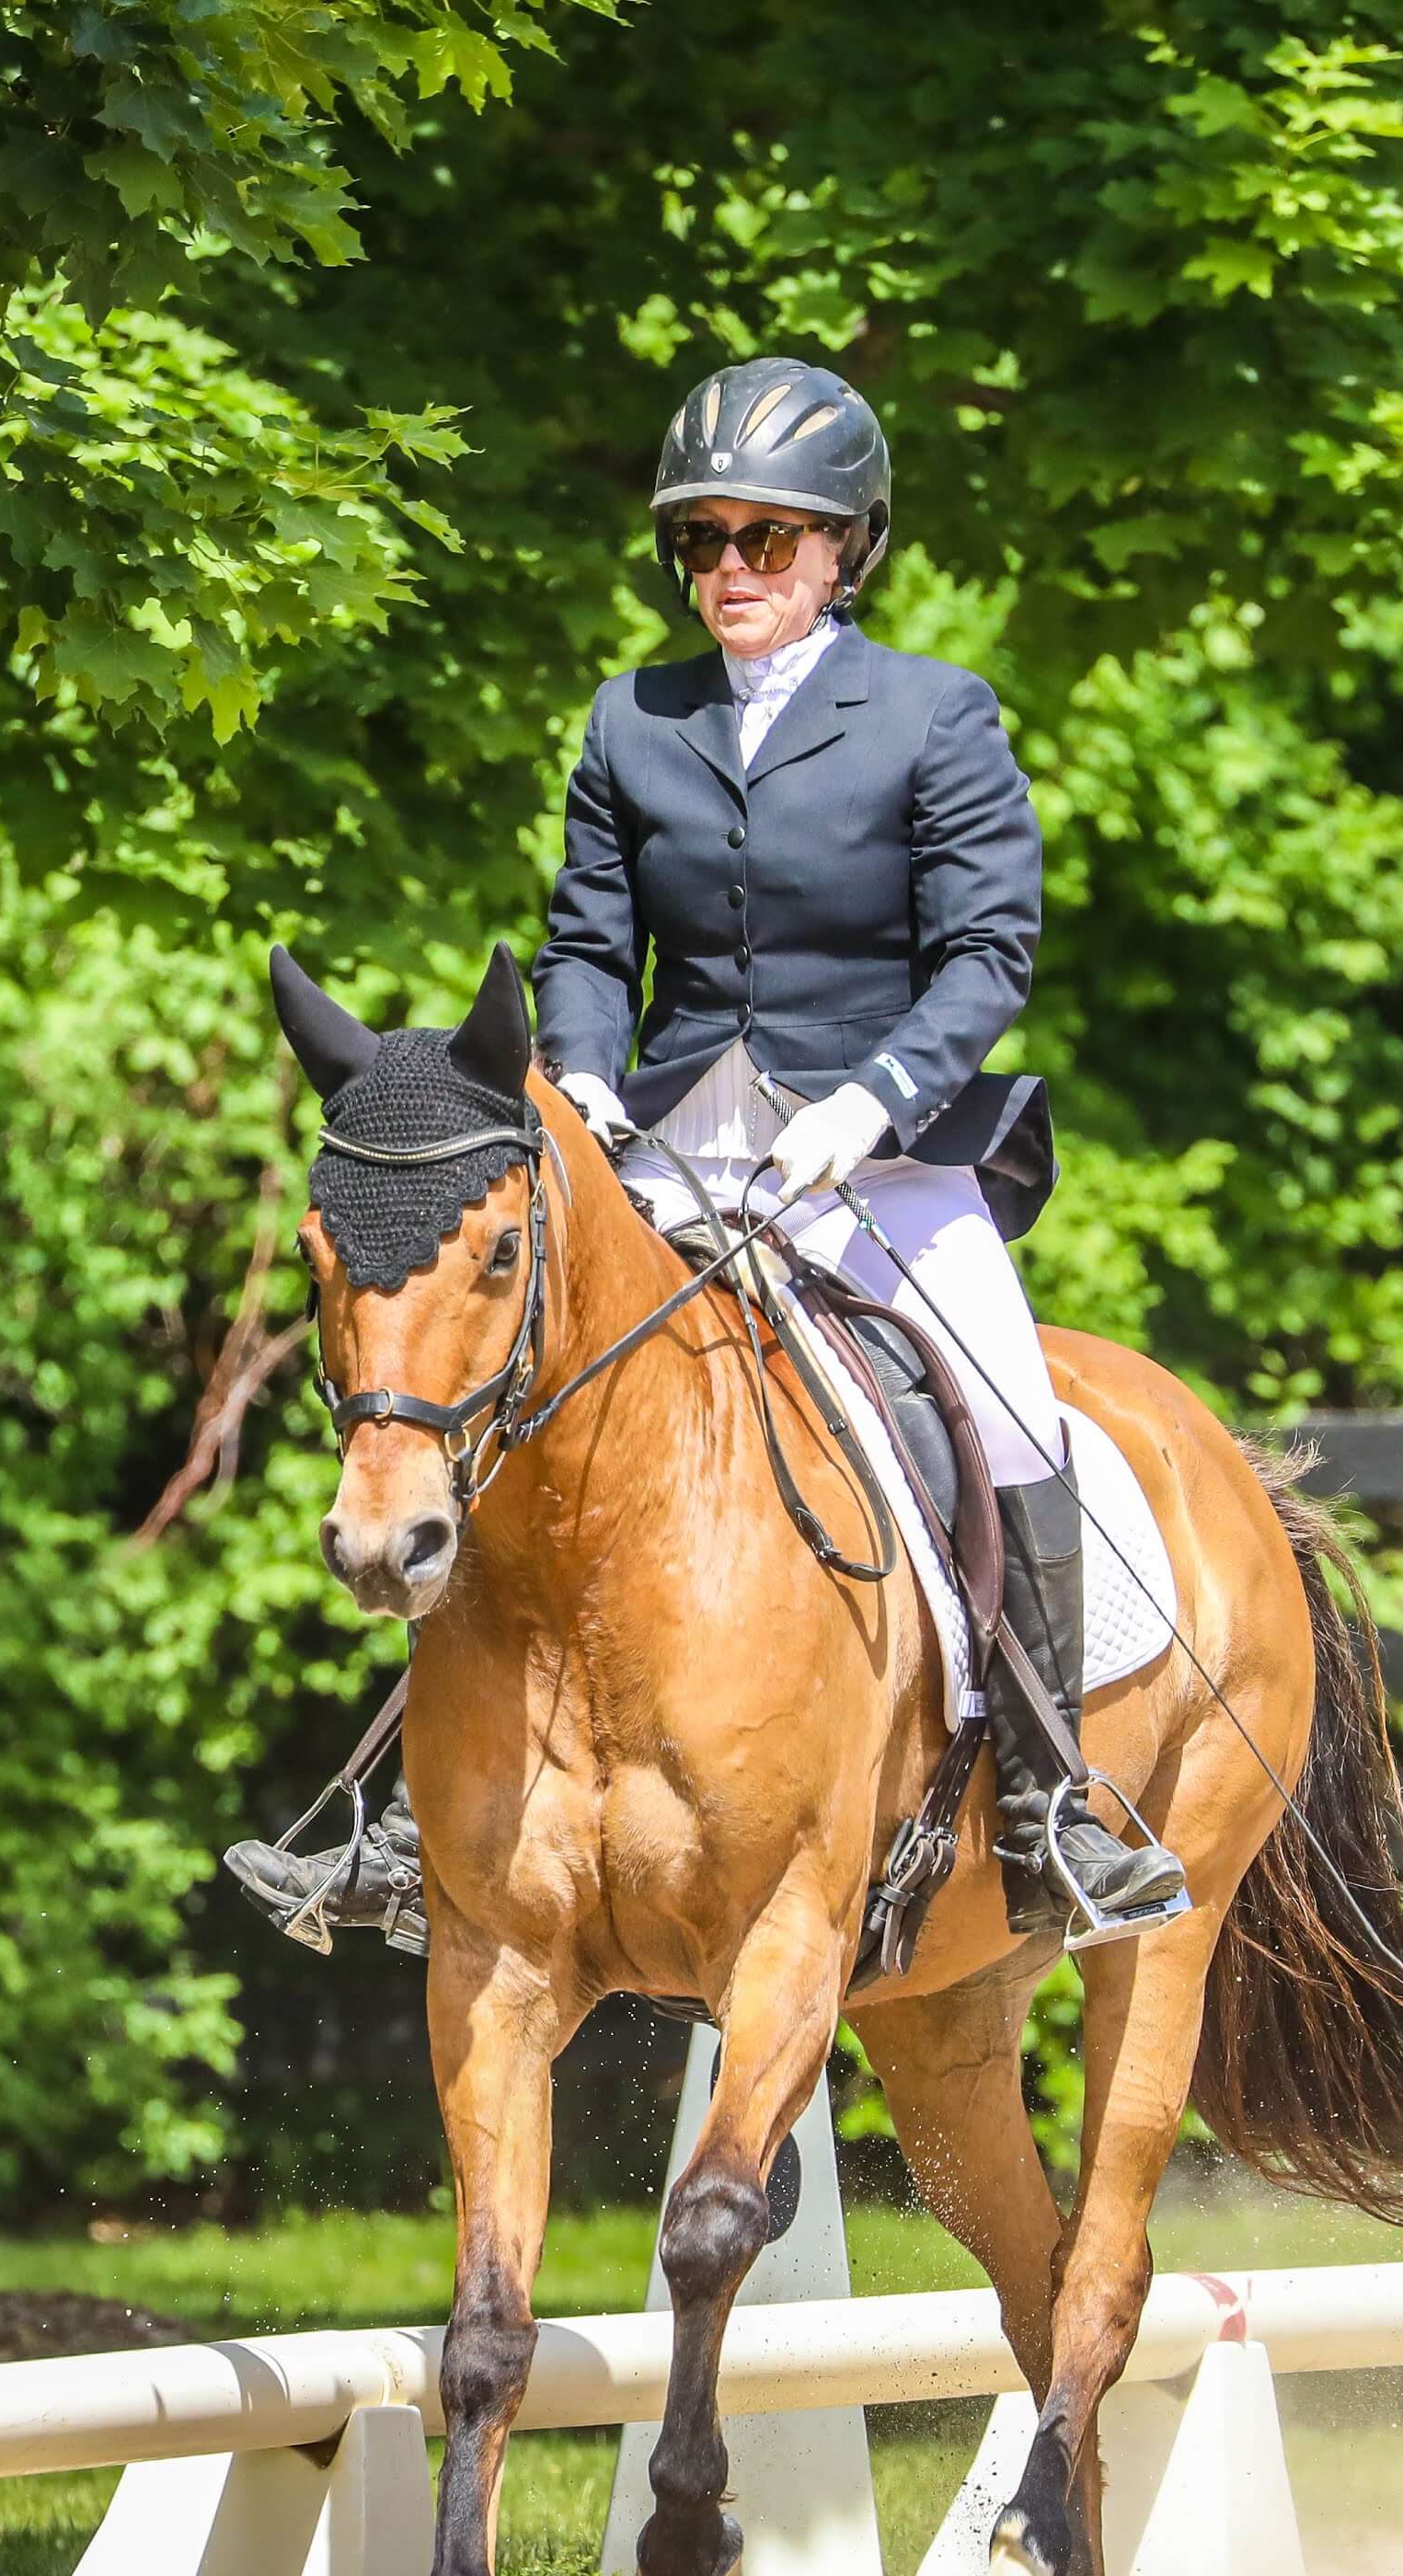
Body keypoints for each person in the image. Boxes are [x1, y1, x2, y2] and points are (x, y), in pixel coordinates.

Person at [228, 357, 1188, 1956]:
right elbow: (587, 941)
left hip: (875, 1159)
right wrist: (587, 1084)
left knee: (1004, 1413)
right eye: (703, 542)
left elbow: (986, 955)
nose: (730, 569)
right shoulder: (633, 719)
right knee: (515, 1413)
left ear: (844, 551)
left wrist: (868, 1099)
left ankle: (1044, 1805)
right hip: (670, 1149)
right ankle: (400, 1825)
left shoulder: (935, 714)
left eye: (767, 537)